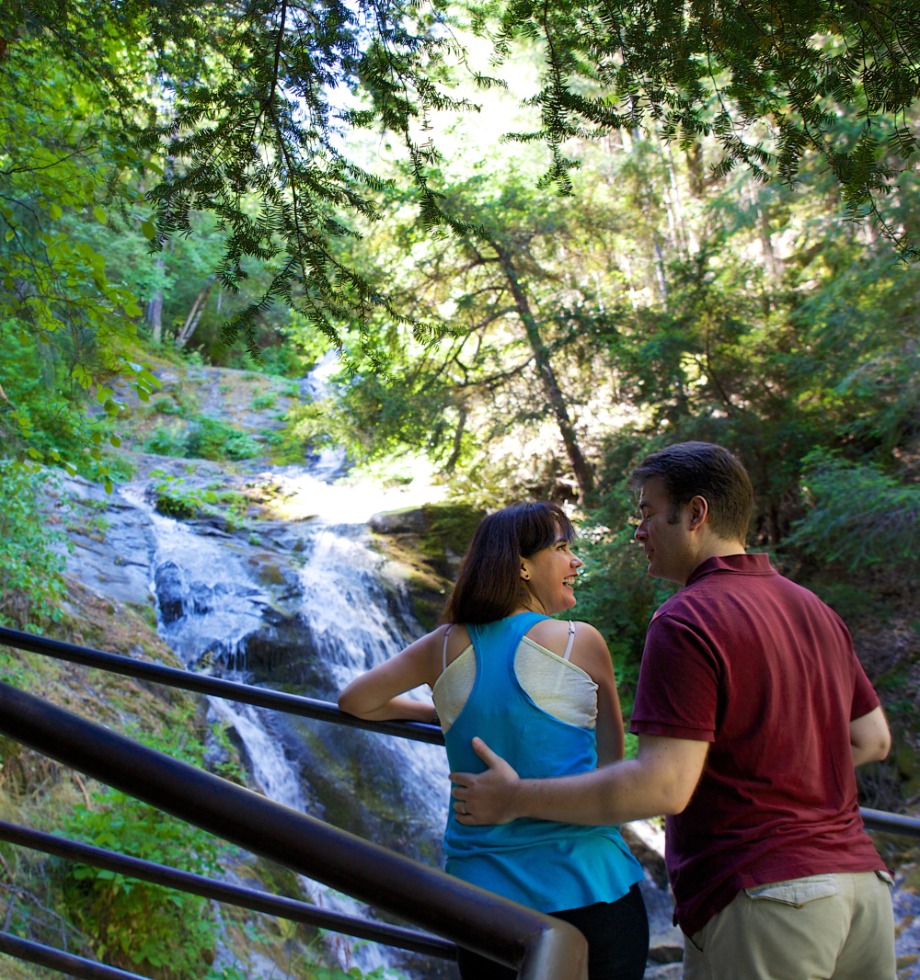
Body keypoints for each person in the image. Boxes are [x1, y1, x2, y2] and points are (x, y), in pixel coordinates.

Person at [450, 442, 896, 980]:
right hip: (862, 888)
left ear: (695, 514)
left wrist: (516, 797)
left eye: (646, 513)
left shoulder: (688, 618)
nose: (638, 531)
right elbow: (872, 740)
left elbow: (663, 787)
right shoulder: (813, 607)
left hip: (766, 897)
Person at [338, 501, 649, 979]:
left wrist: (449, 715)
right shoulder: (578, 642)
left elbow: (358, 701)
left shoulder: (442, 645)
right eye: (563, 548)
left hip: (485, 908)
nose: (575, 561)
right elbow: (614, 768)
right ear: (522, 565)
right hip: (589, 887)